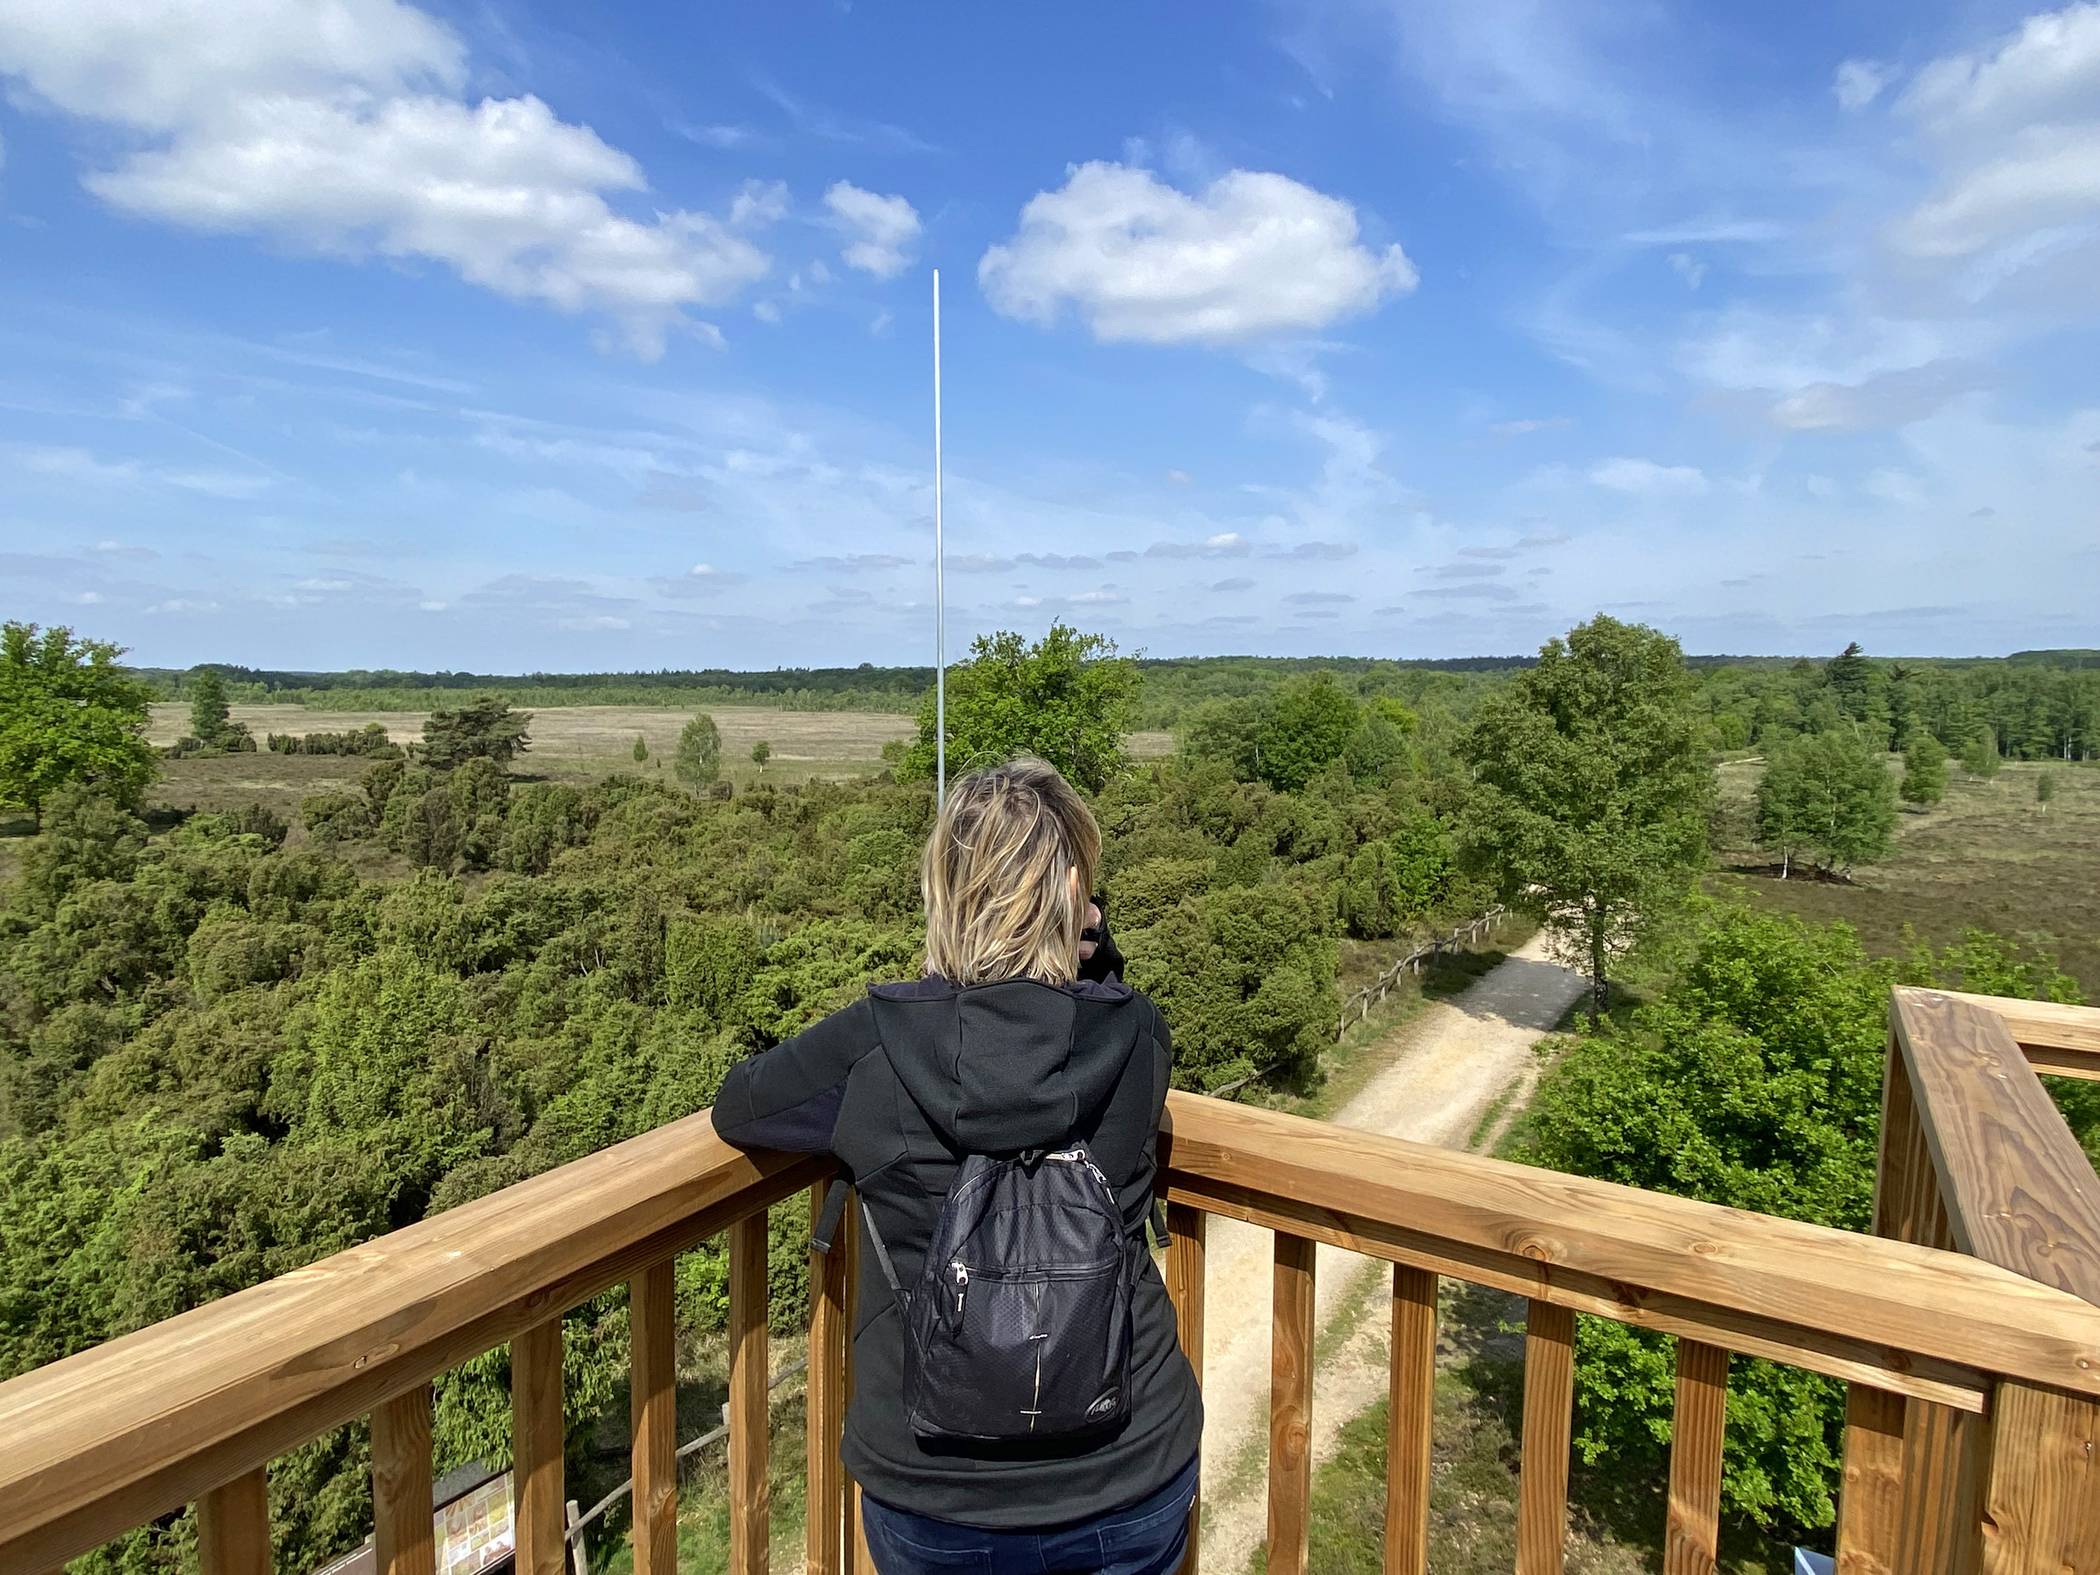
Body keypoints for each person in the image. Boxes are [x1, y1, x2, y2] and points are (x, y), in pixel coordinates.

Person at [711, 756, 1201, 1575]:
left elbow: (741, 1106)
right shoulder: (1138, 1035)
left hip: (937, 1494)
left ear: (945, 892)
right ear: (1073, 896)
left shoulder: (873, 1048)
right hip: (1130, 1467)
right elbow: (1094, 1013)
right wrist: (1096, 950)